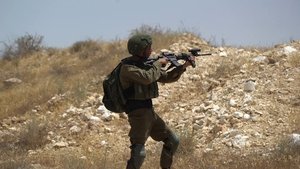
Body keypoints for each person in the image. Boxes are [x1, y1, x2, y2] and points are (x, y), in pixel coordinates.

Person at [119, 34, 194, 169]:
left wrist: (184, 66)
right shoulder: (128, 68)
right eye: (148, 48)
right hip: (138, 114)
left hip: (149, 112)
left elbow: (165, 77)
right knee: (139, 153)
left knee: (172, 141)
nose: (151, 50)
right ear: (140, 50)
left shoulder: (146, 65)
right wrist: (158, 63)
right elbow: (148, 77)